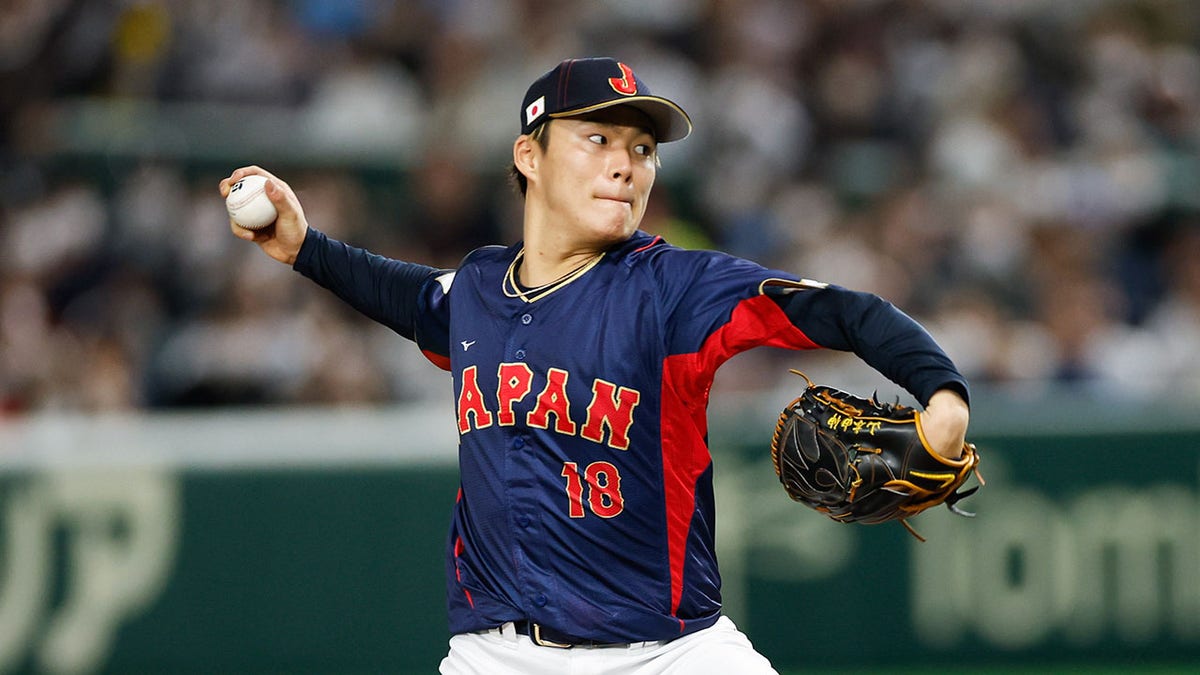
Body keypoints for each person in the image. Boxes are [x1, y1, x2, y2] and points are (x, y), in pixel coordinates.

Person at [220, 57, 971, 675]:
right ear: (529, 156)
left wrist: (942, 393)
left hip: (671, 655)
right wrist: (303, 248)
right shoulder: (478, 291)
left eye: (641, 150)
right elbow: (409, 296)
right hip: (494, 656)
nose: (627, 166)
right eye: (599, 140)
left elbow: (838, 309)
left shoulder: (674, 289)